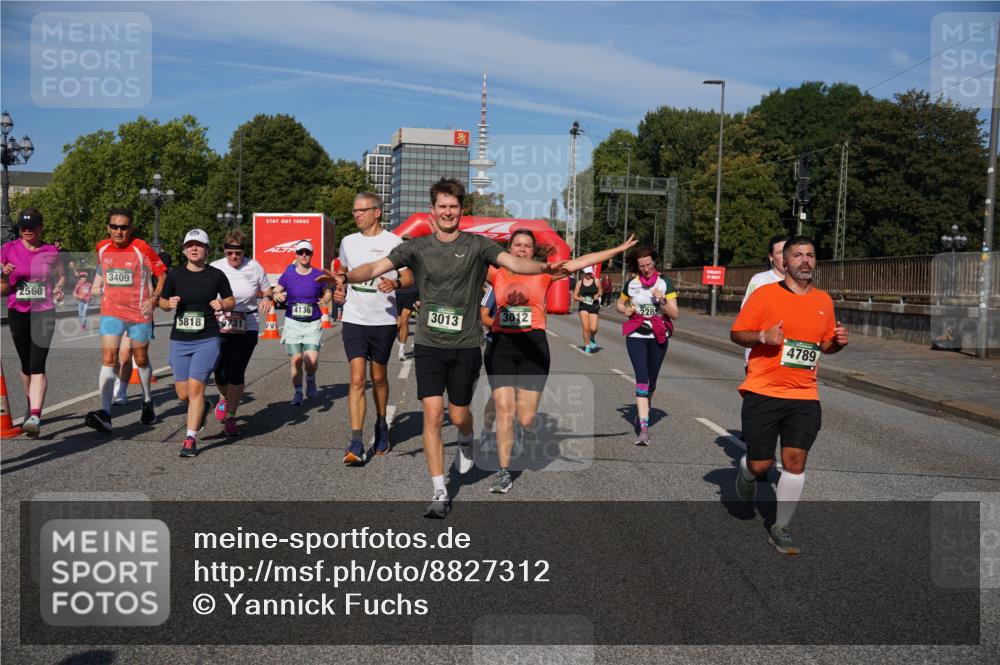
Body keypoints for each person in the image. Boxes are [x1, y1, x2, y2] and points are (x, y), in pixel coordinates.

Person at [327, 178, 567, 518]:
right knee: (432, 413)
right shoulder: (417, 247)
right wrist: (346, 277)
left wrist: (544, 267)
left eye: (453, 207)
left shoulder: (478, 245)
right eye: (442, 206)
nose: (448, 212)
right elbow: (374, 268)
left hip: (465, 345)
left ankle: (466, 438)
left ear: (461, 210)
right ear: (433, 210)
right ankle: (439, 489)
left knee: (457, 415)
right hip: (429, 343)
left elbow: (514, 264)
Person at [484, 229, 636, 493]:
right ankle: (504, 471)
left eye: (527, 246)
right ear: (508, 249)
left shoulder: (545, 272)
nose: (521, 249)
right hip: (502, 347)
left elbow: (582, 261)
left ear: (534, 251)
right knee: (505, 411)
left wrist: (618, 249)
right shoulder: (496, 273)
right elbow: (463, 257)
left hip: (533, 348)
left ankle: (524, 429)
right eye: (517, 245)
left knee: (526, 418)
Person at [730, 236, 849, 555]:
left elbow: (825, 346)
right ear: (784, 261)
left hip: (804, 393)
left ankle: (780, 526)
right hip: (763, 390)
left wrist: (838, 343)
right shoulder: (765, 294)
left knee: (795, 461)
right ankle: (746, 472)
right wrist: (763, 336)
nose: (805, 260)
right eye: (798, 255)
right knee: (761, 464)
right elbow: (736, 333)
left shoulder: (824, 301)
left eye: (810, 255)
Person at [333, 192, 413, 464]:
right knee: (357, 378)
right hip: (354, 318)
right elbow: (343, 272)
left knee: (378, 377)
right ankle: (356, 440)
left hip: (383, 320)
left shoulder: (393, 242)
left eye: (362, 210)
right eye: (354, 211)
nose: (356, 214)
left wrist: (396, 283)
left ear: (377, 212)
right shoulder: (348, 241)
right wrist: (339, 289)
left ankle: (381, 424)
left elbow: (409, 276)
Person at [84, 209, 166, 434]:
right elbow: (104, 273)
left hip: (138, 313)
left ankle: (147, 400)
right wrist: (95, 290)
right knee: (109, 358)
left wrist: (154, 298)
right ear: (108, 228)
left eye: (123, 227)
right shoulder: (102, 248)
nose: (118, 231)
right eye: (114, 227)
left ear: (131, 229)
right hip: (111, 312)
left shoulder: (141, 248)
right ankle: (106, 413)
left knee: (140, 358)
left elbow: (162, 274)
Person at [159, 229, 235, 457]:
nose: (194, 248)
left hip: (207, 338)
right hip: (180, 339)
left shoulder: (216, 275)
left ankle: (190, 439)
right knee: (183, 394)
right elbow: (162, 302)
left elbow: (230, 299)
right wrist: (168, 304)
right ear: (184, 250)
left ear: (207, 250)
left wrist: (223, 305)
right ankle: (204, 407)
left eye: (199, 245)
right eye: (190, 245)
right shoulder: (175, 275)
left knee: (195, 389)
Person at [0, 208, 65, 438]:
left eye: (32, 226)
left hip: (43, 312)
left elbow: (61, 276)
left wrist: (58, 288)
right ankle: (31, 405)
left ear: (40, 227)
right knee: (26, 365)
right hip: (17, 312)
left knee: (37, 364)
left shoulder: (50, 251)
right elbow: (2, 289)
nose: (27, 230)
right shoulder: (8, 249)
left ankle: (36, 415)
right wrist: (4, 275)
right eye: (23, 227)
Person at [210, 229, 273, 436]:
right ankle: (223, 396)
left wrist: (267, 298)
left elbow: (267, 289)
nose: (234, 256)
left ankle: (231, 416)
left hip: (247, 323)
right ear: (224, 250)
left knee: (237, 370)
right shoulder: (216, 267)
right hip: (220, 322)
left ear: (244, 251)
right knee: (220, 371)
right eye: (230, 252)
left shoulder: (254, 266)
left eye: (238, 253)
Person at [616, 247, 679, 446]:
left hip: (658, 335)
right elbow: (619, 304)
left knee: (651, 381)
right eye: (642, 266)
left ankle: (644, 411)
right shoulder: (632, 284)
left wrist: (661, 300)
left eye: (649, 264)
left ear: (654, 263)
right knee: (642, 380)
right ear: (637, 267)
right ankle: (644, 429)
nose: (646, 269)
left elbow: (675, 314)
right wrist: (625, 310)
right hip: (636, 335)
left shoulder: (665, 283)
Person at [273, 240, 332, 405]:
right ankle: (298, 392)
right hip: (293, 323)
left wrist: (325, 299)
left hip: (312, 323)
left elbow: (328, 291)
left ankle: (311, 378)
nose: (304, 255)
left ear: (311, 255)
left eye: (307, 252)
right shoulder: (288, 274)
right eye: (301, 252)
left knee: (310, 361)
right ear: (296, 254)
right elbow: (276, 289)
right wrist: (276, 295)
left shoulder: (318, 275)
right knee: (296, 360)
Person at [741, 235, 788, 366]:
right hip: (762, 357)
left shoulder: (802, 283)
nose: (785, 256)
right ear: (771, 257)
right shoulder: (760, 280)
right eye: (780, 252)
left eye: (788, 251)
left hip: (789, 358)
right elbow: (745, 315)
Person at [395, 235, 419, 361]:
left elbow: (420, 277)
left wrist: (419, 297)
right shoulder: (394, 258)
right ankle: (398, 338)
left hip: (410, 293)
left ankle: (402, 349)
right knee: (397, 323)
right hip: (395, 294)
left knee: (405, 318)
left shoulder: (414, 260)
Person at [573, 266, 602, 352]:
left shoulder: (596, 281)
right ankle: (587, 345)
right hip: (583, 306)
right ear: (584, 273)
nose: (588, 275)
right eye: (586, 273)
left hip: (594, 305)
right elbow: (574, 296)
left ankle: (592, 337)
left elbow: (601, 291)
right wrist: (581, 299)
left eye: (589, 273)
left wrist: (597, 295)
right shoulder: (579, 283)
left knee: (593, 328)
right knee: (586, 327)